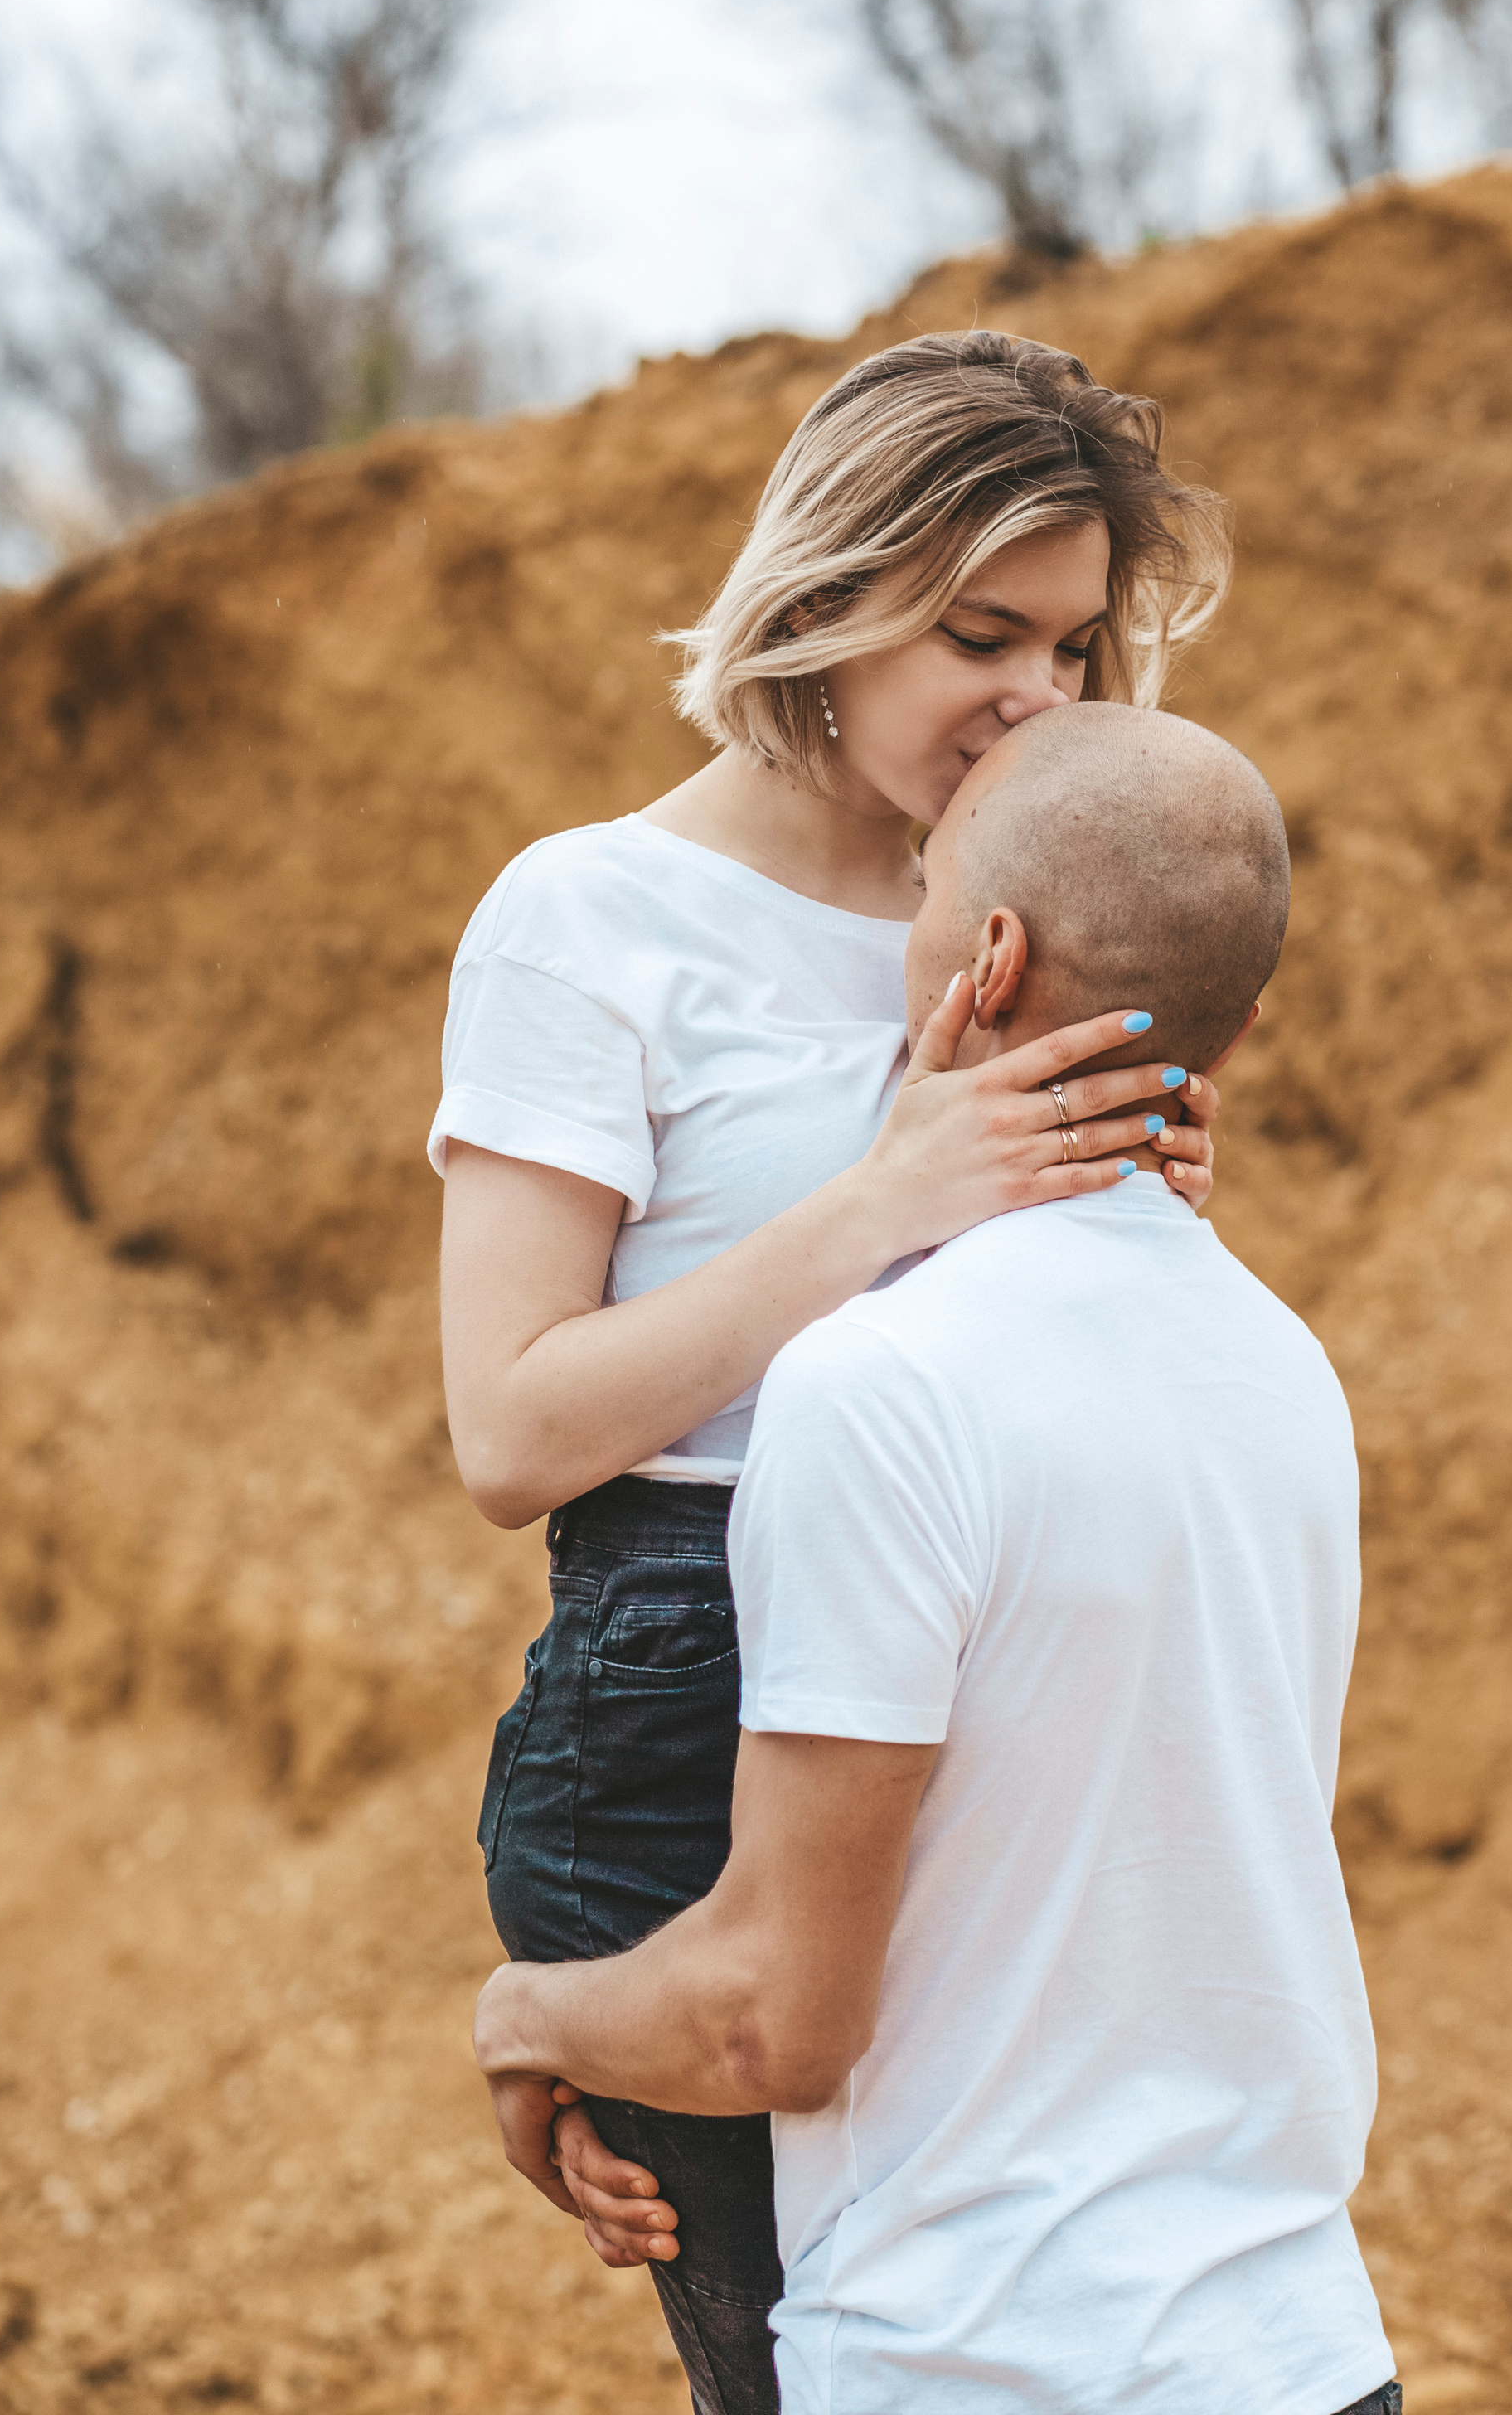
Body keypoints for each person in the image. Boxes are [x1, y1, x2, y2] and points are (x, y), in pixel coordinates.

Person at [431, 333, 1243, 2411]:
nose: (1035, 696)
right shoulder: (587, 916)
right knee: (826, 2370)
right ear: (828, 588)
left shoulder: (1009, 896)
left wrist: (1136, 1214)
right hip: (682, 1708)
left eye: (1070, 646)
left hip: (994, 1679)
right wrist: (883, 1197)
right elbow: (509, 1428)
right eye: (980, 634)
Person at [474, 701, 1401, 2415]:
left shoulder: (876, 1389)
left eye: (920, 897)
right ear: (1244, 1025)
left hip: (980, 2366)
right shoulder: (1288, 1374)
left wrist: (524, 2020)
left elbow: (774, 2023)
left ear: (986, 962)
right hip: (1304, 2356)